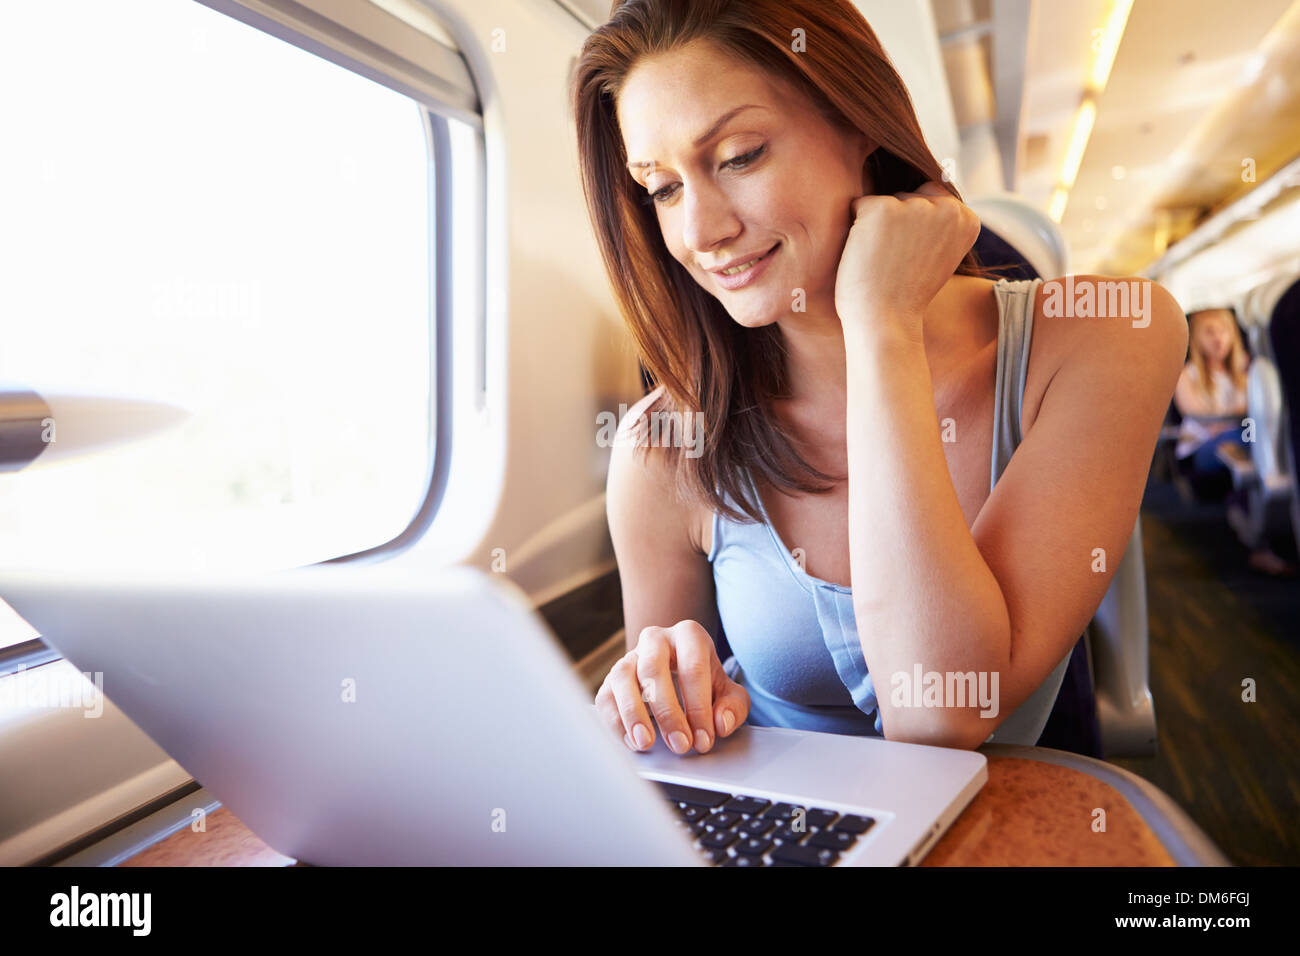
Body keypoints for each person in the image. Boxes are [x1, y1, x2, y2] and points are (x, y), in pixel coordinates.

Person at [574, 0, 1187, 756]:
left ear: (858, 123)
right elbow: (681, 748)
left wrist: (880, 328)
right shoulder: (662, 446)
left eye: (738, 156)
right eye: (662, 189)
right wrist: (663, 694)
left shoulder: (1110, 331)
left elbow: (938, 717)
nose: (701, 232)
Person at [1174, 307, 1295, 575]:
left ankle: (1267, 533)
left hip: (1240, 441)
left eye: (1223, 331)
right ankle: (1264, 541)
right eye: (1209, 332)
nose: (1218, 339)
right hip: (1200, 449)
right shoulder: (1186, 374)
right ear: (1196, 338)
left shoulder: (1248, 368)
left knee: (1249, 443)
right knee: (1247, 439)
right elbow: (1196, 413)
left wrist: (1230, 420)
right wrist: (1239, 416)